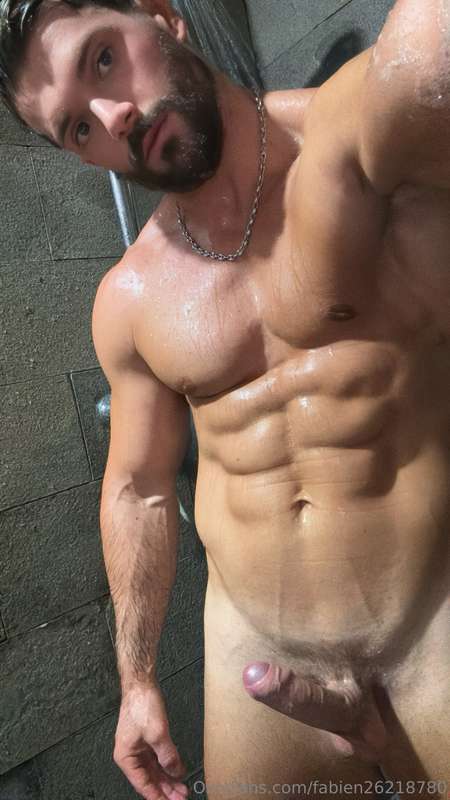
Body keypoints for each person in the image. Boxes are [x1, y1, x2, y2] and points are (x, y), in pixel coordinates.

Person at [1, 0, 448, 796]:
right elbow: (137, 487)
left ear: (161, 16)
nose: (114, 117)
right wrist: (138, 682)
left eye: (102, 58)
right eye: (78, 128)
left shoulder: (343, 139)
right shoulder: (129, 299)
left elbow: (421, 65)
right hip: (260, 666)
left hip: (431, 628)